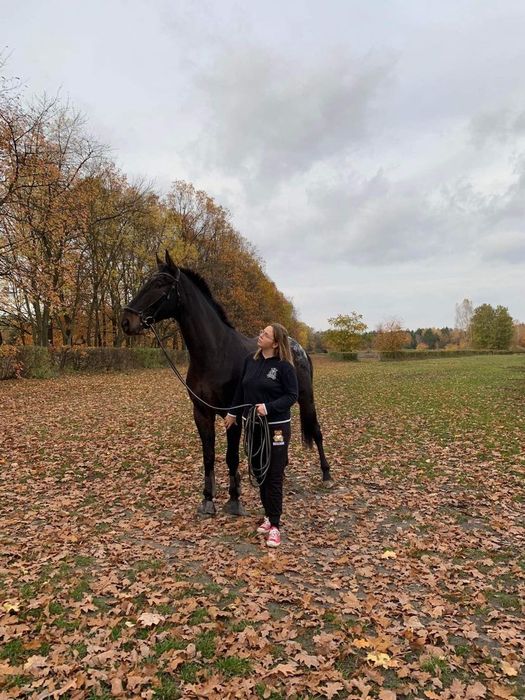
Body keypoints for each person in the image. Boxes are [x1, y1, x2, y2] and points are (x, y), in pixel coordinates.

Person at [224, 323, 298, 548]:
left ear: (275, 343)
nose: (260, 335)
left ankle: (275, 525)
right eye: (262, 332)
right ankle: (268, 515)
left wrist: (269, 407)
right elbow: (241, 389)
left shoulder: (284, 367)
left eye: (265, 334)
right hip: (253, 427)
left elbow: (292, 396)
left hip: (276, 427)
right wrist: (233, 413)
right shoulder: (251, 361)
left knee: (274, 474)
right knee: (259, 471)